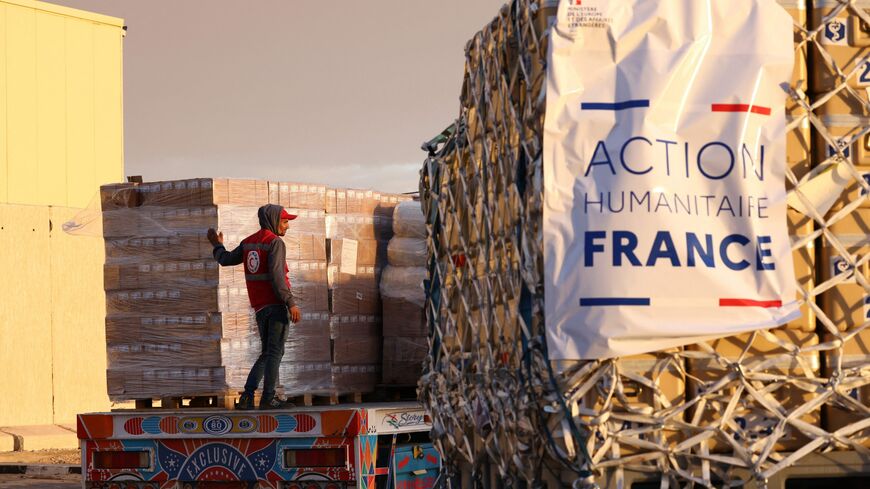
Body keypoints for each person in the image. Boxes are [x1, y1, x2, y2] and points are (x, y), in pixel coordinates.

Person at [207, 204, 302, 410]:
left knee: (267, 352)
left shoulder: (249, 242)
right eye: (284, 221)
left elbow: (225, 260)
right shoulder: (275, 243)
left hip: (259, 308)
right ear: (273, 221)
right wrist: (291, 303)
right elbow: (278, 279)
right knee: (275, 352)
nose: (287, 226)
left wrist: (217, 246)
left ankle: (248, 396)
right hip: (276, 306)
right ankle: (268, 398)